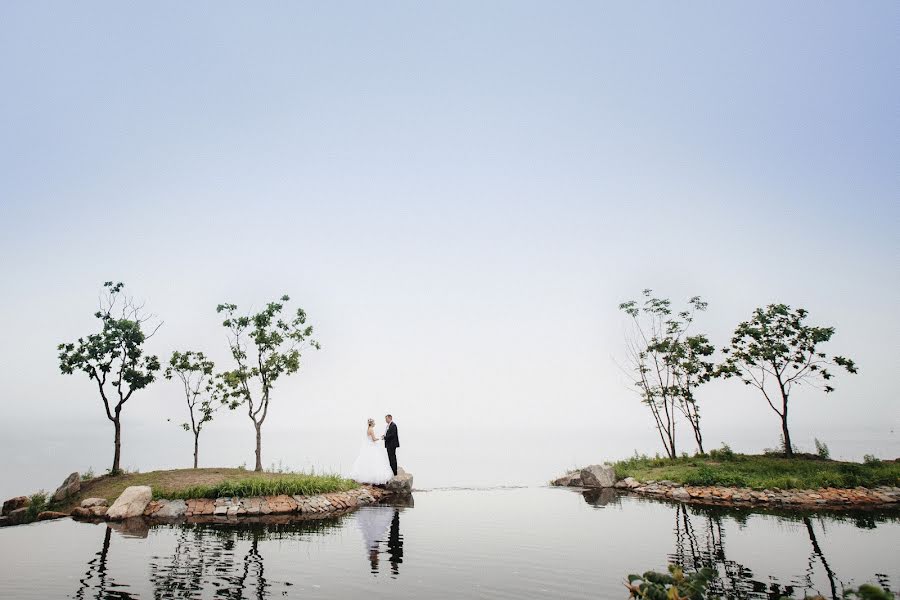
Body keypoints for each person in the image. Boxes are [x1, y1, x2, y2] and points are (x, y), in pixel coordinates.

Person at [349, 418, 394, 484]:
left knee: (368, 461)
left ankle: (366, 476)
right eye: (374, 423)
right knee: (375, 460)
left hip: (369, 446)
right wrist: (380, 438)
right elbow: (373, 439)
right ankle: (374, 476)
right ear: (372, 423)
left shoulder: (368, 429)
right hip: (372, 446)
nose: (375, 424)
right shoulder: (371, 429)